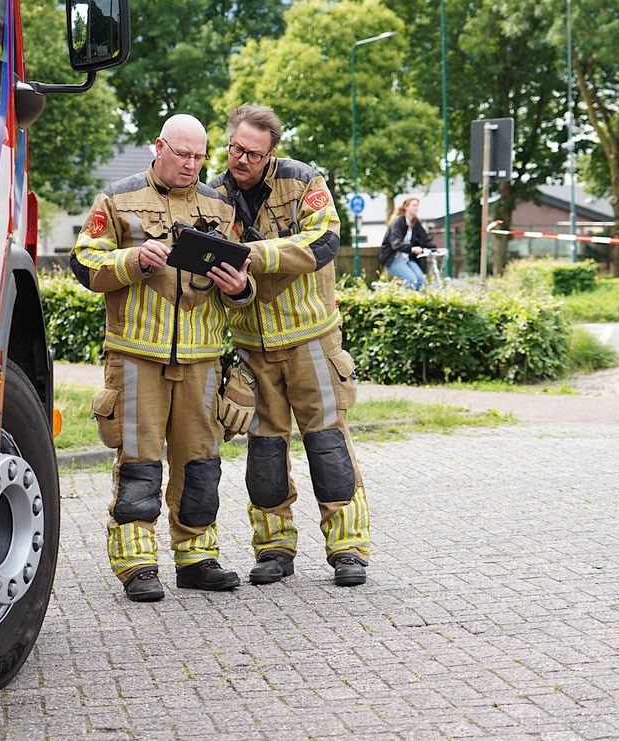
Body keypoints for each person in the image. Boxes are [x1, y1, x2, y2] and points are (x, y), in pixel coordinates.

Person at [70, 114, 256, 602]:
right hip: (136, 358)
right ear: (160, 147)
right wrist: (132, 261)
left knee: (201, 464)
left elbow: (243, 273)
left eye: (201, 156)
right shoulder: (117, 199)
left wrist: (241, 289)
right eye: (184, 154)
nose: (193, 165)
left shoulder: (220, 204)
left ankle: (196, 558)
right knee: (140, 464)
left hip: (201, 360)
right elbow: (85, 264)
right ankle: (137, 564)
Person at [210, 104, 371, 588]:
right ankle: (274, 549)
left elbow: (323, 241)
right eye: (236, 148)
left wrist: (253, 256)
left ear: (271, 154)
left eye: (253, 154)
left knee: (328, 446)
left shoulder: (304, 181)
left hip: (311, 342)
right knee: (264, 454)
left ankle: (348, 550)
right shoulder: (213, 194)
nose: (241, 160)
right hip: (253, 349)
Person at [378, 196, 435, 290]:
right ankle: (404, 301)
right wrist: (412, 249)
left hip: (406, 258)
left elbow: (424, 239)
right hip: (393, 259)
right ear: (406, 207)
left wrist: (435, 249)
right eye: (414, 205)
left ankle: (419, 303)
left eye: (417, 205)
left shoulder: (415, 223)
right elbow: (395, 243)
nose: (416, 208)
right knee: (411, 280)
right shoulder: (399, 221)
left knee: (422, 281)